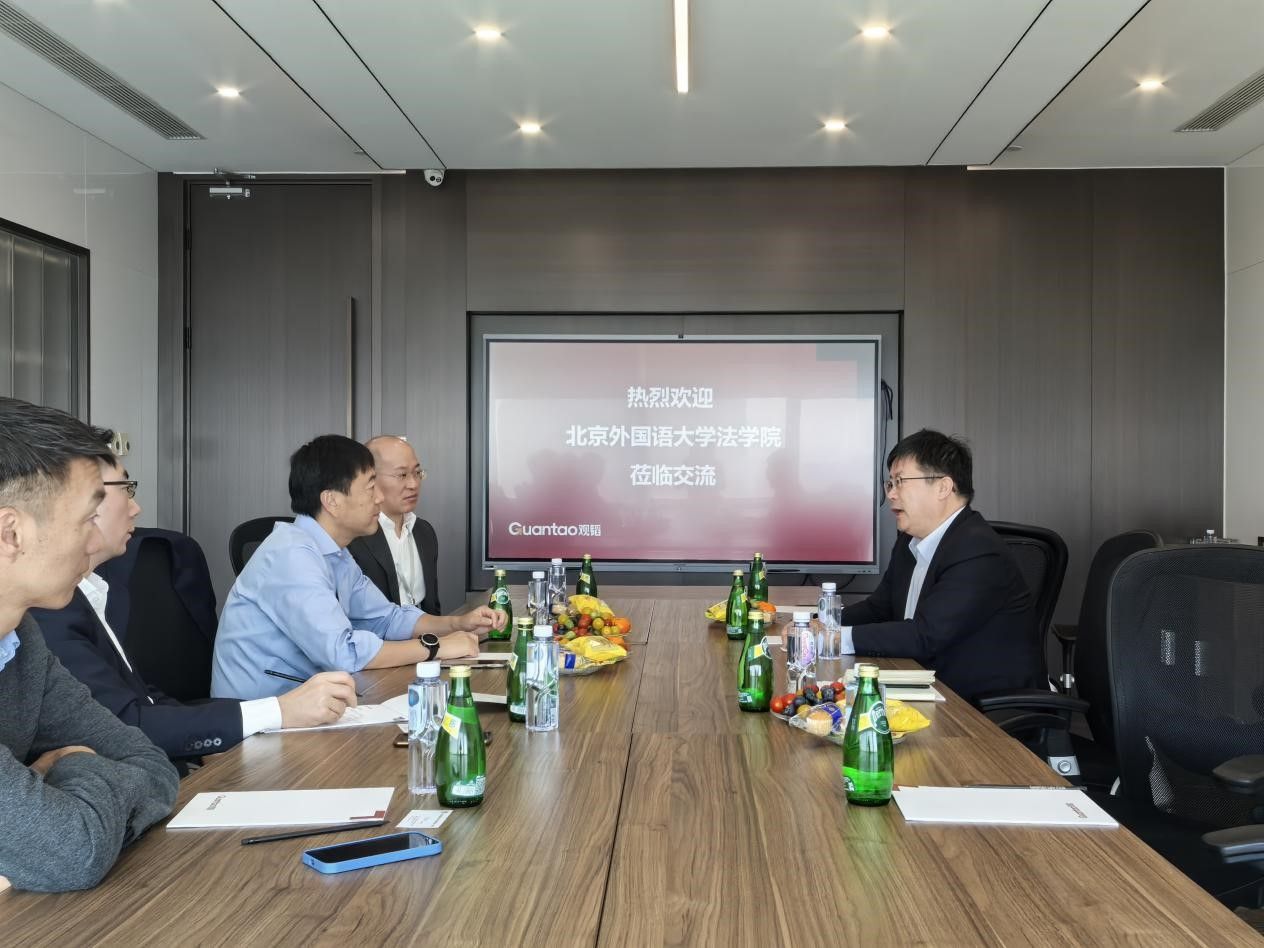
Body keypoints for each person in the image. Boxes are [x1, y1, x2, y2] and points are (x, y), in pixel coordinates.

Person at [32, 448, 359, 770]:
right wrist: (278, 711)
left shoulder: (92, 592)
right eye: (125, 489)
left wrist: (221, 733)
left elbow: (144, 699)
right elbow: (124, 724)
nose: (136, 508)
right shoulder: (51, 609)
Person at [0, 397, 178, 892]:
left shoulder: (20, 641)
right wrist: (79, 769)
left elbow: (154, 768)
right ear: (11, 533)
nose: (94, 541)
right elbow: (71, 853)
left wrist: (60, 781)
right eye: (85, 519)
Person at [212, 435, 500, 700]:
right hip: (261, 716)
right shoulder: (291, 555)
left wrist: (457, 625)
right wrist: (436, 647)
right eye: (371, 488)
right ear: (332, 501)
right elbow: (344, 652)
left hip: (311, 703)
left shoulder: (334, 552)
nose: (379, 498)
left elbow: (386, 618)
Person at [841, 429, 1042, 703]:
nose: (891, 494)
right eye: (890, 484)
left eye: (900, 482)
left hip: (980, 709)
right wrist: (818, 624)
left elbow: (925, 635)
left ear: (943, 487)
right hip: (928, 688)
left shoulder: (978, 549)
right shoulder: (910, 541)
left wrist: (834, 639)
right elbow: (879, 608)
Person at [349, 435, 441, 613]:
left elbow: (433, 607)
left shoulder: (424, 531)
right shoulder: (353, 537)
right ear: (370, 478)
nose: (413, 484)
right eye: (402, 475)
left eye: (417, 473)